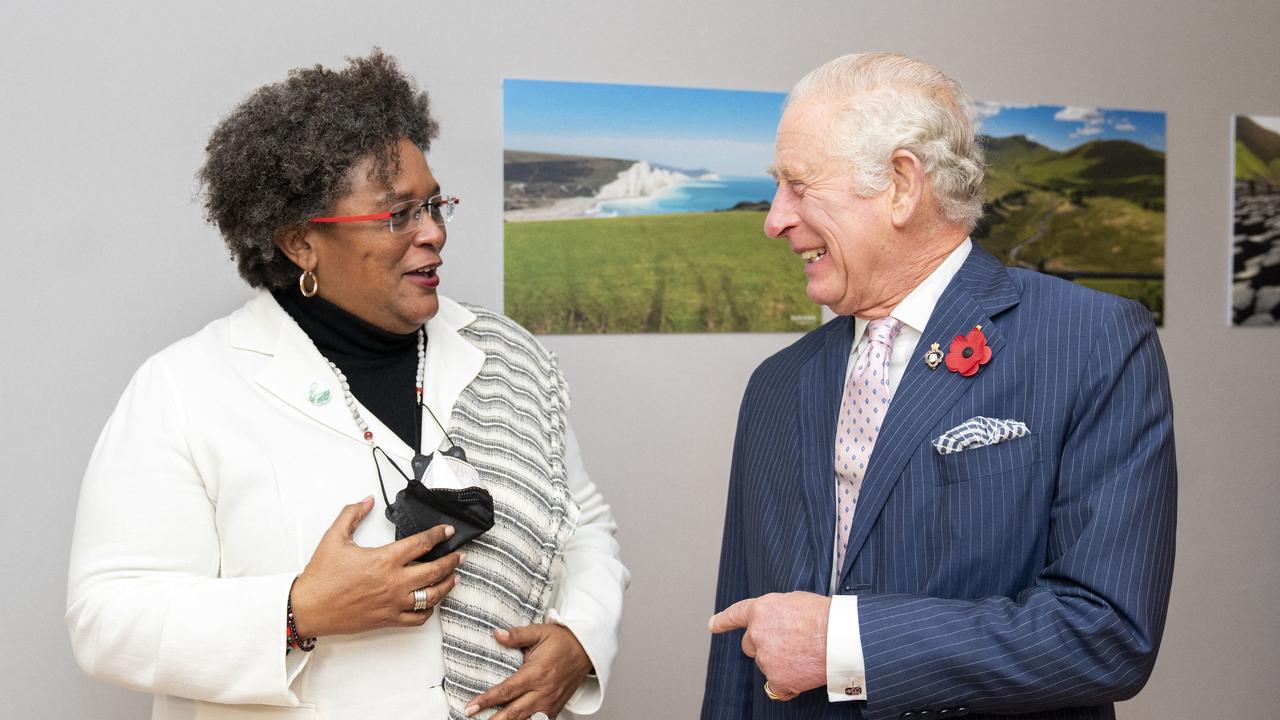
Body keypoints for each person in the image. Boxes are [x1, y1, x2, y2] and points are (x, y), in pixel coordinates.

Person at [66, 50, 628, 720]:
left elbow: (583, 520)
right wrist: (299, 610)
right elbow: (106, 620)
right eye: (398, 215)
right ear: (301, 242)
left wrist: (581, 637)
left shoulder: (507, 356)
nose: (435, 234)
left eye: (434, 204)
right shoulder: (186, 388)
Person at [703, 52, 1175, 719]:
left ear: (901, 184)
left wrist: (847, 642)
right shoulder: (777, 385)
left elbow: (1106, 633)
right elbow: (741, 640)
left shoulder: (1092, 342)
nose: (774, 218)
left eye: (798, 185)